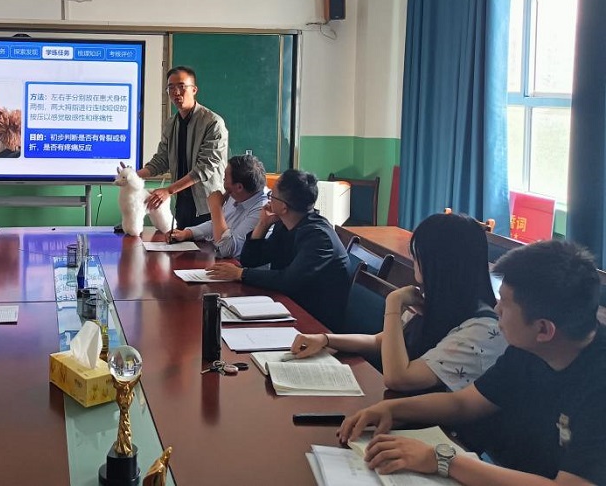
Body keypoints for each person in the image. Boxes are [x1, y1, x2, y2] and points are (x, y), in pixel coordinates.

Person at [339, 240, 606, 485]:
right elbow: (464, 403)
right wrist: (391, 409)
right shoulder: (529, 347)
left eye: (505, 304)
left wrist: (443, 460)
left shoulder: (597, 384)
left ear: (544, 329)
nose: (497, 309)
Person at [290, 212, 506, 391]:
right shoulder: (436, 299)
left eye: (417, 256)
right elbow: (380, 342)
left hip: (433, 426)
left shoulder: (482, 330)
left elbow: (399, 379)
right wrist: (326, 339)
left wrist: (394, 303)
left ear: (437, 264)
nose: (413, 262)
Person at [206, 168, 349, 330]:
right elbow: (250, 260)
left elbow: (288, 280)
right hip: (287, 306)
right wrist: (262, 224)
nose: (268, 201)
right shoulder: (285, 224)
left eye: (271, 196)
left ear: (284, 207)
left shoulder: (319, 238)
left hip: (315, 323)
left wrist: (240, 273)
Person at [137, 66, 228, 229]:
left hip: (208, 206)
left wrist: (169, 190)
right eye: (171, 88)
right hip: (182, 203)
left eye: (181, 86)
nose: (176, 92)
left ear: (194, 90)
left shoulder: (213, 123)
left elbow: (205, 167)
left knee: (207, 246)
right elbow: (162, 160)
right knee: (180, 244)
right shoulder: (171, 124)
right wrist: (133, 176)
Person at [169, 154, 267, 258]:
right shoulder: (238, 194)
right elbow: (217, 225)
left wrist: (216, 207)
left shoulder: (262, 210)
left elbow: (226, 249)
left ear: (239, 187)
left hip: (241, 266)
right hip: (225, 262)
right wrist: (187, 233)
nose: (223, 180)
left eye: (225, 177)